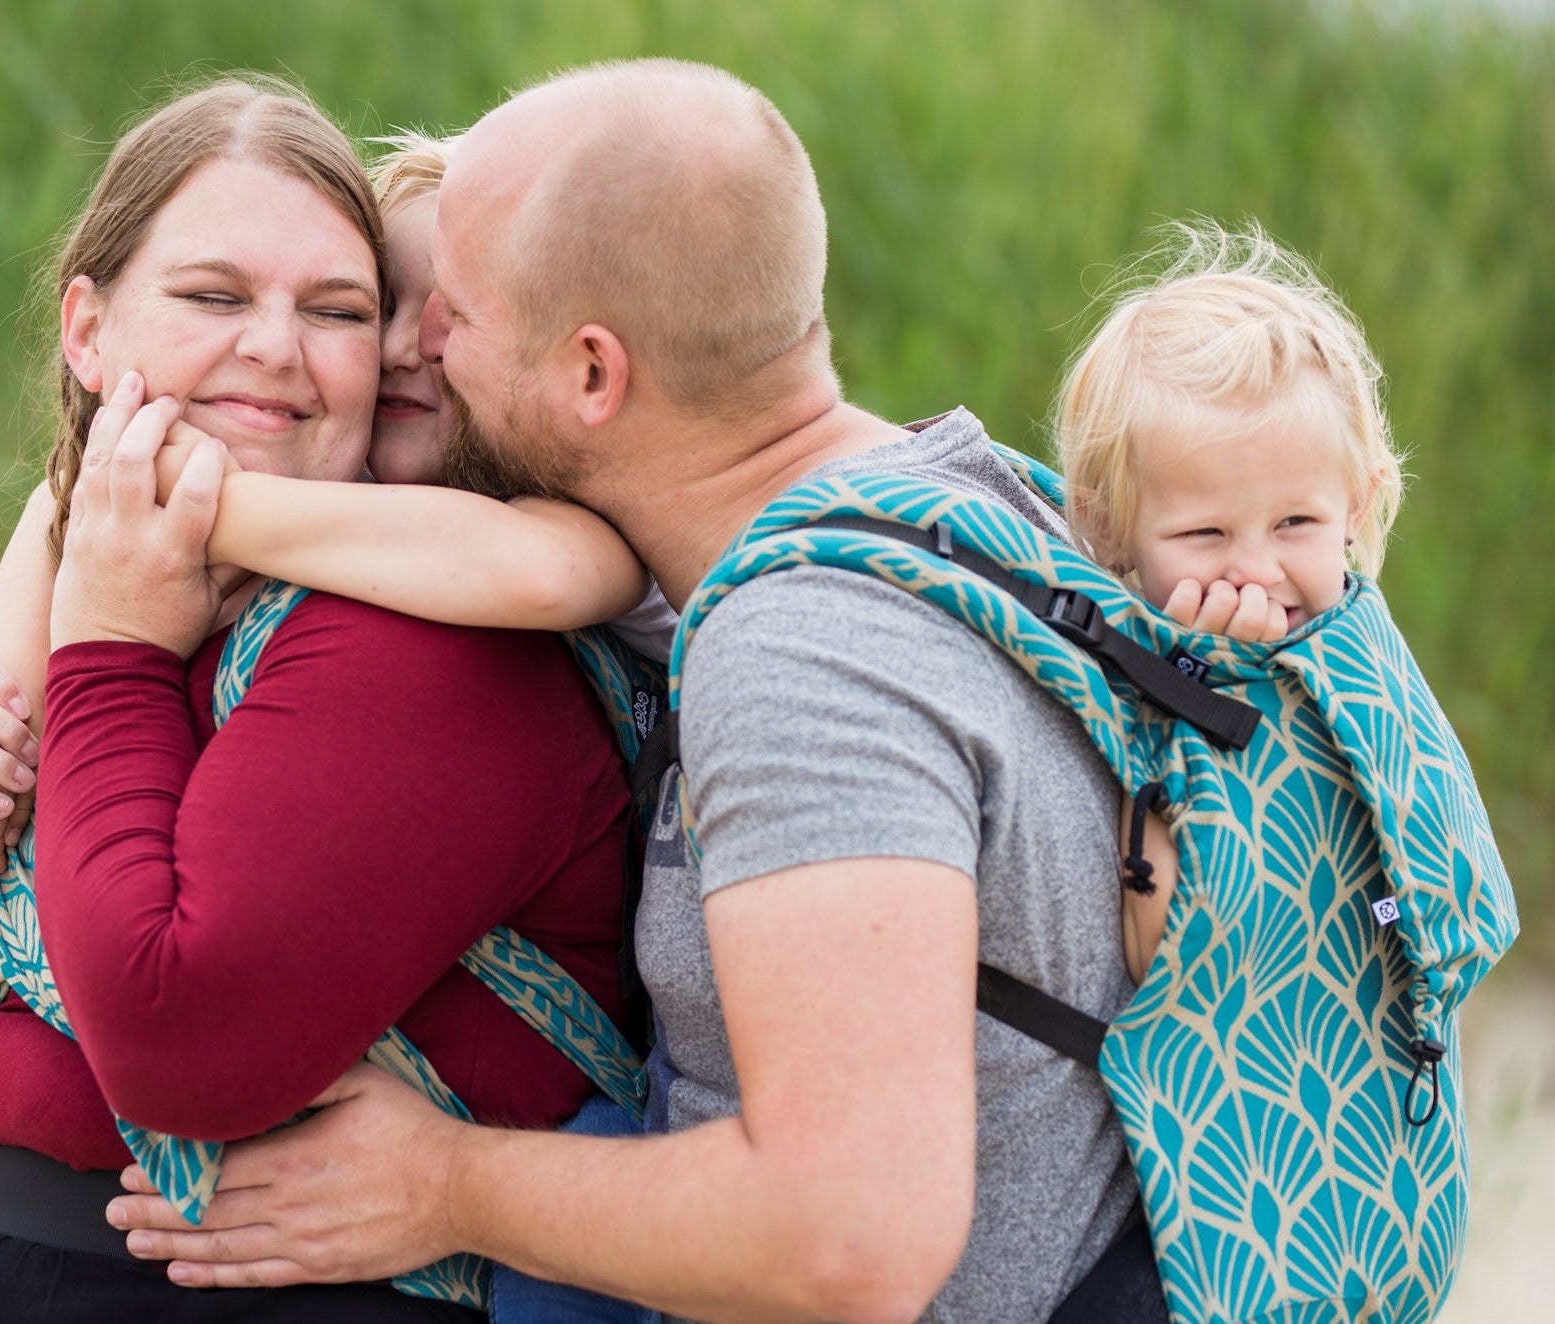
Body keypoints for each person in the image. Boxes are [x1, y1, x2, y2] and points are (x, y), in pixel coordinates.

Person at [110, 58, 1152, 1324]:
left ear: (594, 376)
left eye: (458, 315)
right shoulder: (980, 503)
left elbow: (848, 1236)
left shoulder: (806, 653)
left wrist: (441, 1183)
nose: (411, 347)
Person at [0, 76, 633, 1323]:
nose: (273, 346)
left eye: (337, 310)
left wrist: (114, 641)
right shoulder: (100, 565)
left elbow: (172, 1046)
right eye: (213, 296)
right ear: (88, 330)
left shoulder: (430, 631)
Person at [1051, 221, 1402, 982]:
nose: (1255, 571)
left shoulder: (1369, 681)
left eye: (1295, 522)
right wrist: (1184, 691)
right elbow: (1164, 948)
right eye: (1204, 532)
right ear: (1107, 529)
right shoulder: (1115, 695)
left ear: (1356, 507)